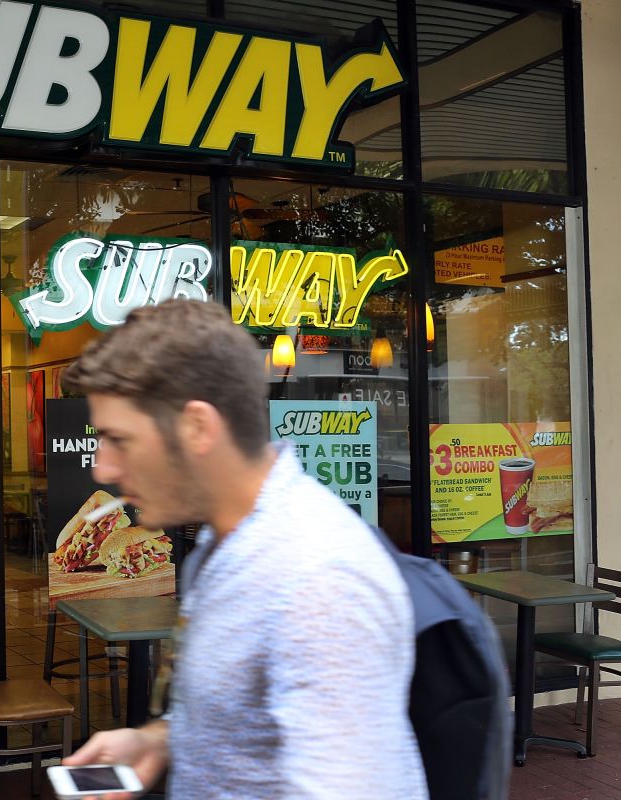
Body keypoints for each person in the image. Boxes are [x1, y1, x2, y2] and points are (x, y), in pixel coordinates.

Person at [60, 300, 427, 800]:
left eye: (119, 439)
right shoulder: (225, 540)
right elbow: (253, 712)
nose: (102, 468)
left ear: (197, 428)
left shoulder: (318, 582)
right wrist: (162, 740)